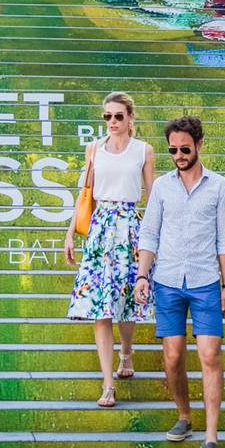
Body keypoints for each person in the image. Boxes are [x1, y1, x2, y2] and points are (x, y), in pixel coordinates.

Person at [134, 116, 225, 448]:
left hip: (206, 281)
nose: (179, 155)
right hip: (168, 280)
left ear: (199, 145)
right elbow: (149, 234)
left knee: (210, 353)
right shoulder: (162, 187)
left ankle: (211, 438)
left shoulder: (219, 186)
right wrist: (142, 276)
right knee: (173, 356)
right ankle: (184, 415)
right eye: (173, 150)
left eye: (185, 149)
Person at [64, 92, 156, 407]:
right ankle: (107, 384)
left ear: (130, 118)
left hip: (130, 227)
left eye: (118, 116)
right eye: (107, 116)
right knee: (99, 308)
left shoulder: (144, 150)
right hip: (100, 229)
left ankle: (126, 353)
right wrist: (70, 233)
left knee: (126, 301)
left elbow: (152, 197)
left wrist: (153, 239)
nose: (112, 122)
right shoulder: (94, 148)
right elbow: (85, 193)